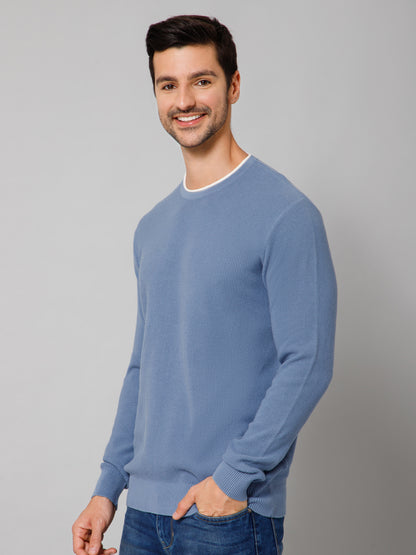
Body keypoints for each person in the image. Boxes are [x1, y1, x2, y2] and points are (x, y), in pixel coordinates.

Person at [72, 14, 337, 555]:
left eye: (202, 80)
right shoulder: (152, 228)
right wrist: (107, 489)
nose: (184, 100)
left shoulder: (286, 214)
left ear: (233, 85)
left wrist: (232, 480)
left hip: (227, 515)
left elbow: (308, 362)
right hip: (143, 514)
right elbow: (145, 367)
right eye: (168, 85)